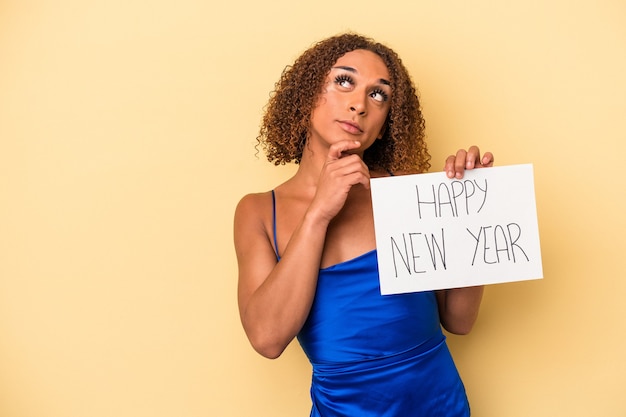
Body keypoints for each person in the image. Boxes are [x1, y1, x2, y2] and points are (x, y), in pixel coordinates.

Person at [234, 33, 494, 416]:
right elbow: (267, 339)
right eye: (344, 81)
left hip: (440, 405)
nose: (359, 104)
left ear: (387, 119)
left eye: (379, 95)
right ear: (306, 94)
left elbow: (458, 320)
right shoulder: (259, 211)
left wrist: (471, 217)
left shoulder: (404, 190)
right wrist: (319, 213)